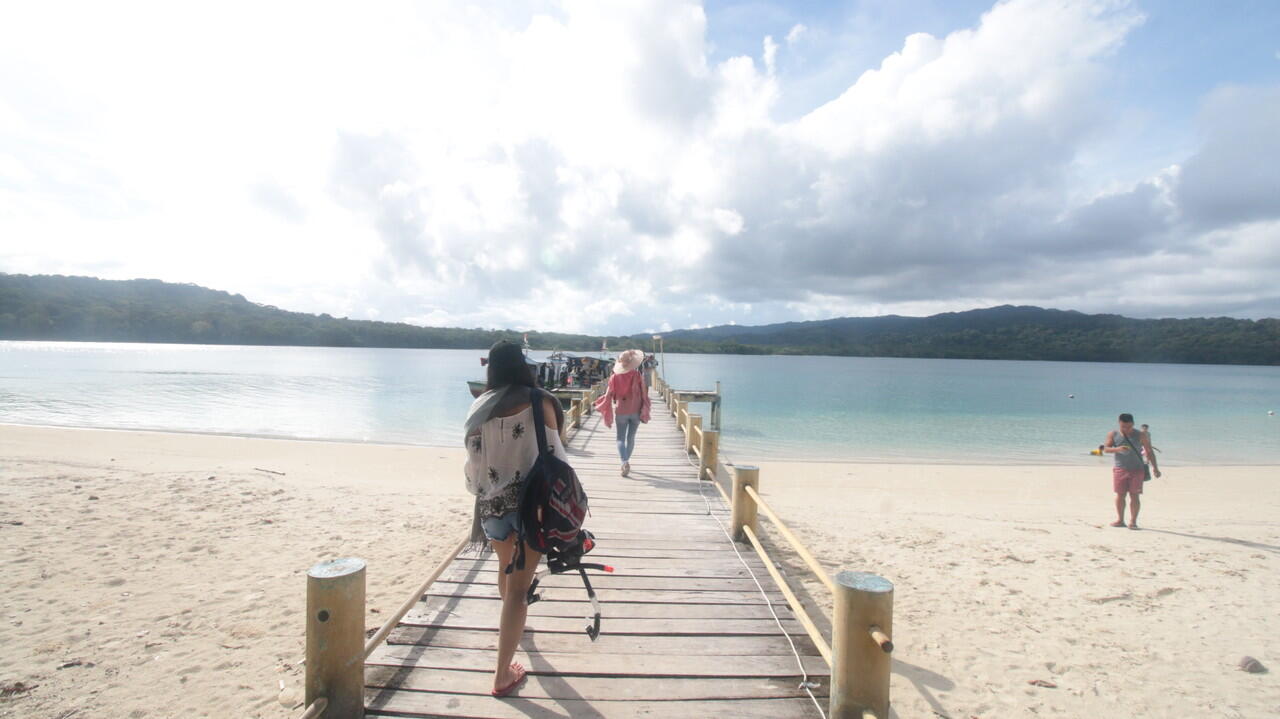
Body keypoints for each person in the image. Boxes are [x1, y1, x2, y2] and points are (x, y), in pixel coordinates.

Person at [463, 340, 566, 697]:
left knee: (507, 569)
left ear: (490, 369)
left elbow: (473, 463)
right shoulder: (542, 400)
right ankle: (502, 674)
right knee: (520, 589)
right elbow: (556, 455)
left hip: (490, 507)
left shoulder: (480, 406)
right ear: (522, 365)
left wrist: (482, 490)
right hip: (532, 509)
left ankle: (513, 622)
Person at [594, 348, 651, 476]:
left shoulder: (614, 377)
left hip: (621, 411)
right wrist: (645, 407)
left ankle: (624, 462)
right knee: (631, 438)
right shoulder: (637, 375)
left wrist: (600, 404)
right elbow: (644, 394)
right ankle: (625, 462)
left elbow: (608, 395)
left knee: (620, 439)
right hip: (636, 411)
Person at [1103, 413, 1161, 530]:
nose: (1126, 429)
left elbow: (1149, 451)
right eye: (1123, 426)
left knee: (1135, 496)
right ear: (1119, 423)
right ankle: (1120, 520)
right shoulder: (1113, 434)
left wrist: (1155, 468)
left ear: (1133, 424)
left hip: (1137, 469)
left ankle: (1133, 522)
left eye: (1129, 427)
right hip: (1120, 468)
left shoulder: (1140, 435)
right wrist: (1117, 449)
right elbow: (1105, 449)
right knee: (1120, 495)